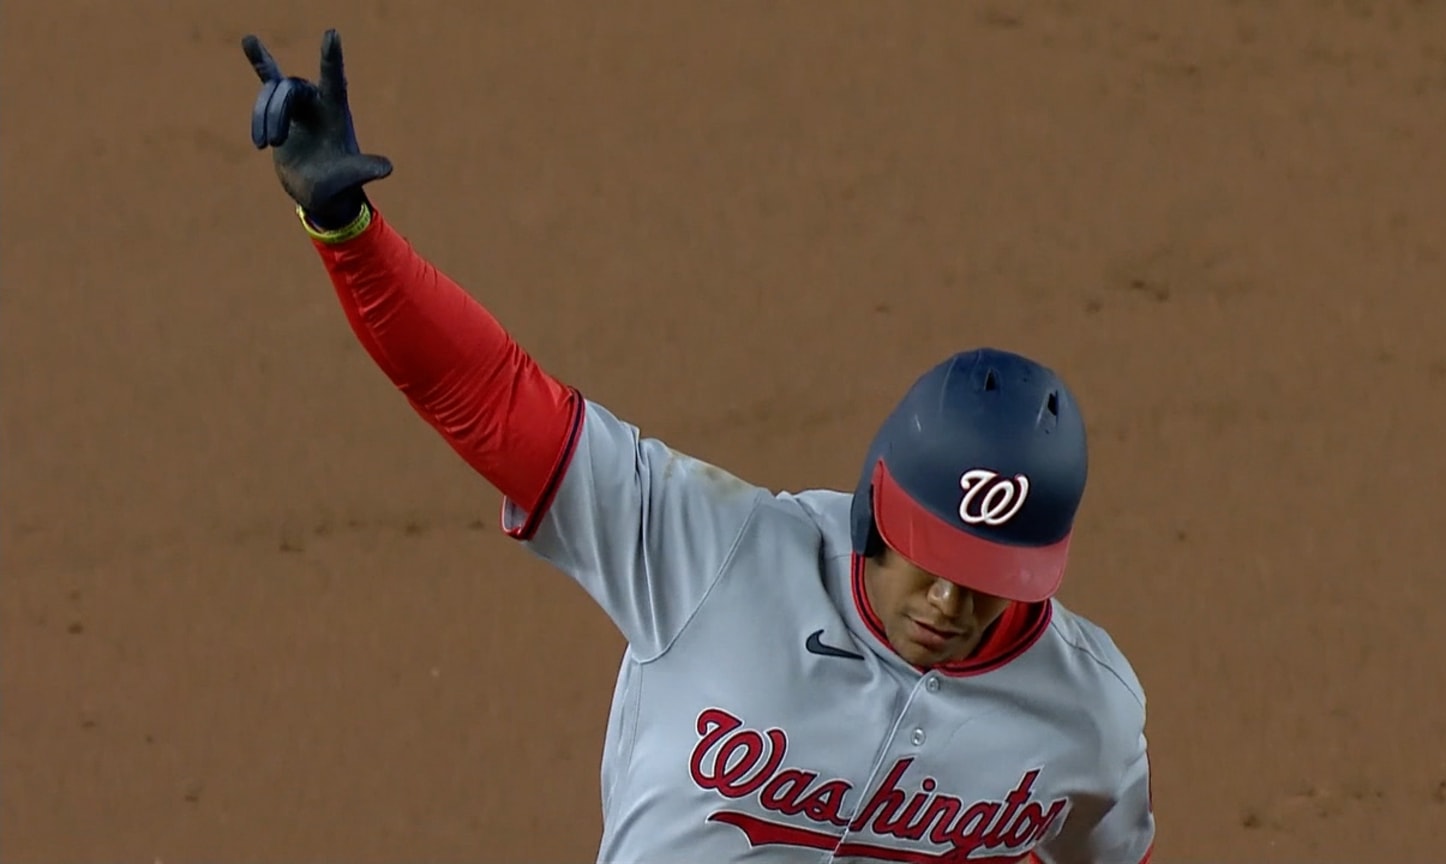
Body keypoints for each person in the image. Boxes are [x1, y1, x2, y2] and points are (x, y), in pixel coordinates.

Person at [240, 30, 1157, 864]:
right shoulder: (715, 555)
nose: (951, 602)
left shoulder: (1089, 716)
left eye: (990, 576)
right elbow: (489, 396)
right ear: (877, 510)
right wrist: (349, 234)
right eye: (934, 559)